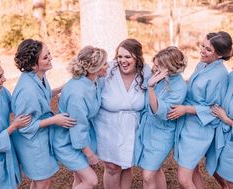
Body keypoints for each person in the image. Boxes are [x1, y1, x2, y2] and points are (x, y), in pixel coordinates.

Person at [167, 31, 232, 189]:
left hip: (200, 128)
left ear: (219, 55)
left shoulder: (220, 75)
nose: (202, 51)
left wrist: (187, 109)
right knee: (193, 170)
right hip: (188, 122)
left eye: (208, 49)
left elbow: (214, 109)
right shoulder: (202, 64)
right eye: (202, 46)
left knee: (183, 177)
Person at [11, 39, 76, 189]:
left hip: (40, 137)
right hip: (32, 143)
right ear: (33, 64)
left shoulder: (38, 76)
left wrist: (62, 88)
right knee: (43, 182)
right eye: (45, 57)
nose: (50, 58)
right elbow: (24, 127)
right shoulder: (27, 91)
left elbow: (43, 96)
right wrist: (54, 120)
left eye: (49, 54)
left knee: (40, 181)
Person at [94, 38, 151, 189]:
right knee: (112, 167)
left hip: (132, 127)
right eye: (119, 56)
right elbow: (88, 81)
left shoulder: (145, 71)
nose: (122, 61)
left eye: (127, 57)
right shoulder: (108, 70)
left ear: (137, 58)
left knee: (126, 165)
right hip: (108, 126)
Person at [53, 46, 109, 189]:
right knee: (91, 181)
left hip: (81, 139)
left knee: (80, 180)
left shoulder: (92, 81)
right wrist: (90, 155)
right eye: (105, 63)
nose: (108, 66)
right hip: (68, 142)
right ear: (93, 69)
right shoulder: (77, 93)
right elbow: (77, 126)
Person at [135, 46, 187, 189]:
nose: (154, 68)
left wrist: (150, 87)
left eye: (158, 66)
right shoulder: (160, 77)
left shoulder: (180, 87)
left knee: (147, 175)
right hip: (147, 130)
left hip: (162, 134)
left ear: (169, 67)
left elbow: (159, 111)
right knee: (155, 170)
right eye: (155, 64)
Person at [0, 61, 31, 189]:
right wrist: (13, 127)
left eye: (2, 75)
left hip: (7, 154)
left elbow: (17, 105)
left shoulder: (2, 92)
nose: (4, 79)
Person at [210, 70, 233, 189]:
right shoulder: (231, 76)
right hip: (225, 134)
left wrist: (225, 118)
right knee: (215, 166)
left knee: (231, 181)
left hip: (229, 131)